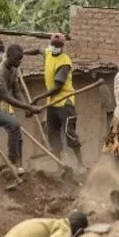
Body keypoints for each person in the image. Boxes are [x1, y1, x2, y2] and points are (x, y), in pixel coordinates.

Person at [0, 45, 44, 183]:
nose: (19, 62)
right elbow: (4, 95)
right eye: (17, 59)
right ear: (9, 56)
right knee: (14, 124)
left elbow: (16, 92)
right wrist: (28, 107)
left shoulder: (14, 70)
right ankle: (13, 161)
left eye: (21, 59)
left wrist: (27, 108)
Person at [40, 33, 85, 170]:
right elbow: (38, 50)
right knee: (53, 133)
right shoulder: (48, 52)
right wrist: (23, 53)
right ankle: (59, 165)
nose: (54, 47)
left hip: (64, 102)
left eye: (58, 46)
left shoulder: (64, 62)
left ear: (62, 47)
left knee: (69, 132)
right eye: (53, 44)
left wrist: (37, 98)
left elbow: (57, 87)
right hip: (52, 103)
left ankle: (80, 164)